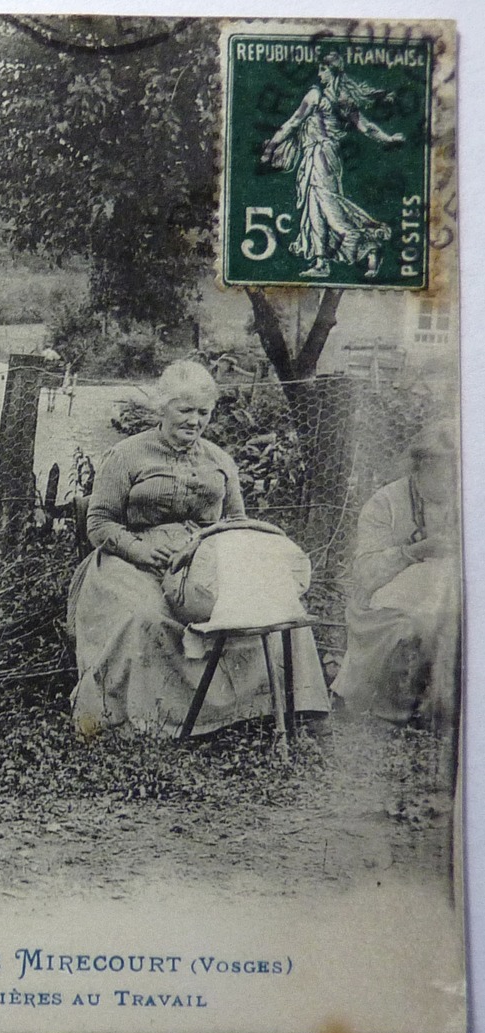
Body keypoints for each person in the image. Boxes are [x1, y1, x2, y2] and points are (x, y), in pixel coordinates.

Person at [68, 360, 330, 737]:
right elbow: (99, 523)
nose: (194, 421)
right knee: (145, 617)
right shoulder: (126, 455)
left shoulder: (220, 461)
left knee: (276, 604)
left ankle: (297, 705)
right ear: (162, 408)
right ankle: (147, 720)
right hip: (132, 561)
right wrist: (140, 551)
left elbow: (238, 523)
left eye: (203, 412)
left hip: (204, 561)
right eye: (185, 410)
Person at [333, 424, 460, 727]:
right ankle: (400, 706)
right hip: (388, 596)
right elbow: (367, 574)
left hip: (450, 591)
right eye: (448, 473)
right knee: (415, 622)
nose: (456, 483)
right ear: (422, 467)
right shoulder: (385, 503)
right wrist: (417, 550)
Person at [262, 52, 404, 280]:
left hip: (319, 155)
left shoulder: (315, 95)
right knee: (315, 209)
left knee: (329, 209)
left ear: (331, 71)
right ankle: (321, 262)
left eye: (322, 69)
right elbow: (366, 128)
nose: (319, 74)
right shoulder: (343, 98)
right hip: (326, 156)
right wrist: (387, 139)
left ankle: (370, 243)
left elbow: (293, 122)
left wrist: (271, 146)